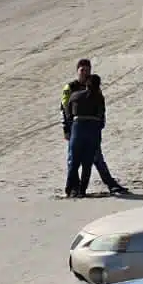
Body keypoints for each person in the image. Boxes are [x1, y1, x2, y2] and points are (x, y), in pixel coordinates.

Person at [61, 62, 128, 197]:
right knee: (74, 160)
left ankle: (110, 184)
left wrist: (100, 125)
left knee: (97, 159)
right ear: (77, 71)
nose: (85, 73)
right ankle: (74, 187)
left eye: (88, 70)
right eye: (82, 70)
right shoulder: (70, 87)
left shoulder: (94, 88)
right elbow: (64, 109)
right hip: (76, 129)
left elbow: (101, 108)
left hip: (90, 130)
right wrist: (66, 130)